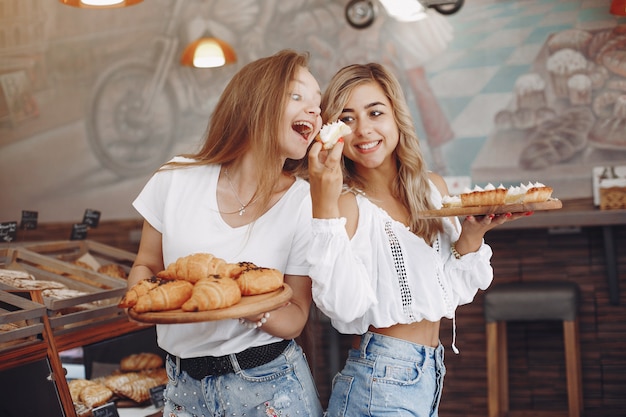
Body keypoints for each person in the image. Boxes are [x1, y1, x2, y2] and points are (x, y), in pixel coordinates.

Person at [306, 62, 530, 416]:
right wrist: (323, 200)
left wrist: (471, 235)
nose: (363, 130)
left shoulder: (431, 189)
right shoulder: (345, 205)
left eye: (375, 112)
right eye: (347, 119)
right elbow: (340, 307)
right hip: (377, 379)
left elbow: (450, 292)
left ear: (396, 115)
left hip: (429, 371)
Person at [127, 49, 324, 417]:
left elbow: (296, 315)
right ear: (254, 102)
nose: (315, 111)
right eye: (298, 96)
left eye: (318, 103)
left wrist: (241, 306)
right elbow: (146, 265)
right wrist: (142, 299)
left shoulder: (304, 203)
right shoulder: (174, 178)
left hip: (270, 388)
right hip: (183, 389)